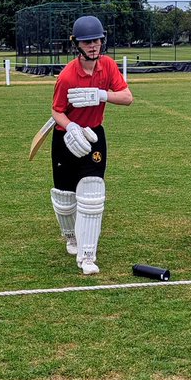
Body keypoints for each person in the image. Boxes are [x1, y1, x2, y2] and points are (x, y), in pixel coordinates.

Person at [50, 15, 133, 275]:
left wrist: (101, 94)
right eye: (87, 42)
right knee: (65, 198)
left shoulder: (107, 67)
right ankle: (71, 236)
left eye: (96, 40)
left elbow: (127, 97)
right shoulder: (66, 76)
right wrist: (71, 126)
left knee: (93, 193)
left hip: (94, 136)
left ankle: (87, 255)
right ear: (76, 44)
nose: (93, 46)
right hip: (66, 137)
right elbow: (56, 111)